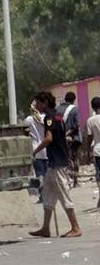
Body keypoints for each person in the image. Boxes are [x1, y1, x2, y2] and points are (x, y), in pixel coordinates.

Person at [29, 92, 82, 238]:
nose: (36, 106)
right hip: (55, 162)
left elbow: (48, 138)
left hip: (57, 162)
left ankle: (76, 227)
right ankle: (45, 228)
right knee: (48, 194)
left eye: (38, 103)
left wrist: (35, 151)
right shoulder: (59, 116)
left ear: (44, 102)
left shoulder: (49, 118)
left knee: (63, 194)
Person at [24, 100, 48, 203]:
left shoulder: (28, 120)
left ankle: (42, 195)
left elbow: (25, 134)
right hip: (47, 148)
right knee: (48, 173)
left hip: (35, 150)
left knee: (39, 174)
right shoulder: (46, 118)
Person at [56, 92, 81, 187]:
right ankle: (75, 181)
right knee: (74, 158)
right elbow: (77, 124)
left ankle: (66, 180)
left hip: (61, 139)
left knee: (65, 159)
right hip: (74, 138)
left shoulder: (57, 110)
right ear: (73, 100)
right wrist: (69, 132)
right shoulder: (75, 109)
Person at [84, 96, 100, 207]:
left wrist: (87, 152)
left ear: (93, 107)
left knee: (99, 175)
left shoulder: (90, 120)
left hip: (98, 150)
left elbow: (89, 138)